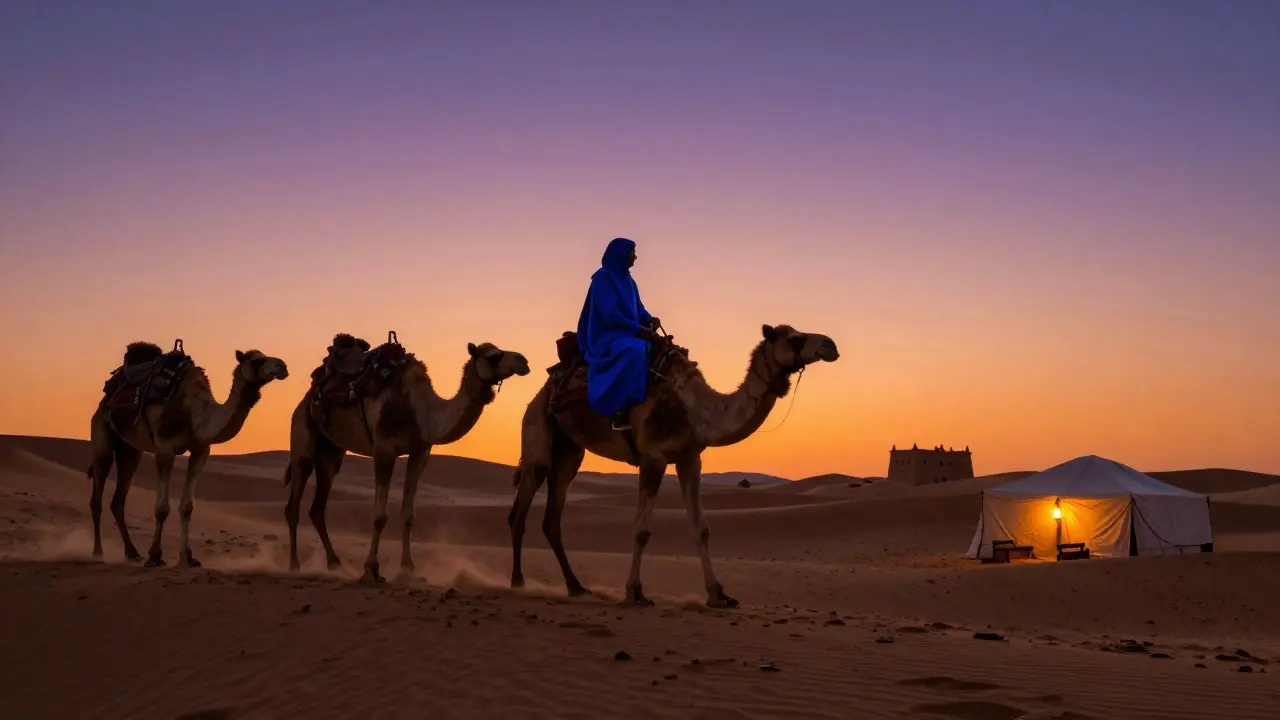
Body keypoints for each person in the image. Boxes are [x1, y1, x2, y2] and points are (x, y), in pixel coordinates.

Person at [577, 237, 662, 430]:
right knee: (636, 351)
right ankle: (621, 409)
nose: (635, 257)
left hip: (627, 332)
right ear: (621, 254)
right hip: (607, 335)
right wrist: (639, 330)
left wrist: (649, 319)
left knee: (661, 350)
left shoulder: (629, 281)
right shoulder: (602, 278)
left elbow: (638, 309)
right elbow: (610, 315)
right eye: (632, 252)